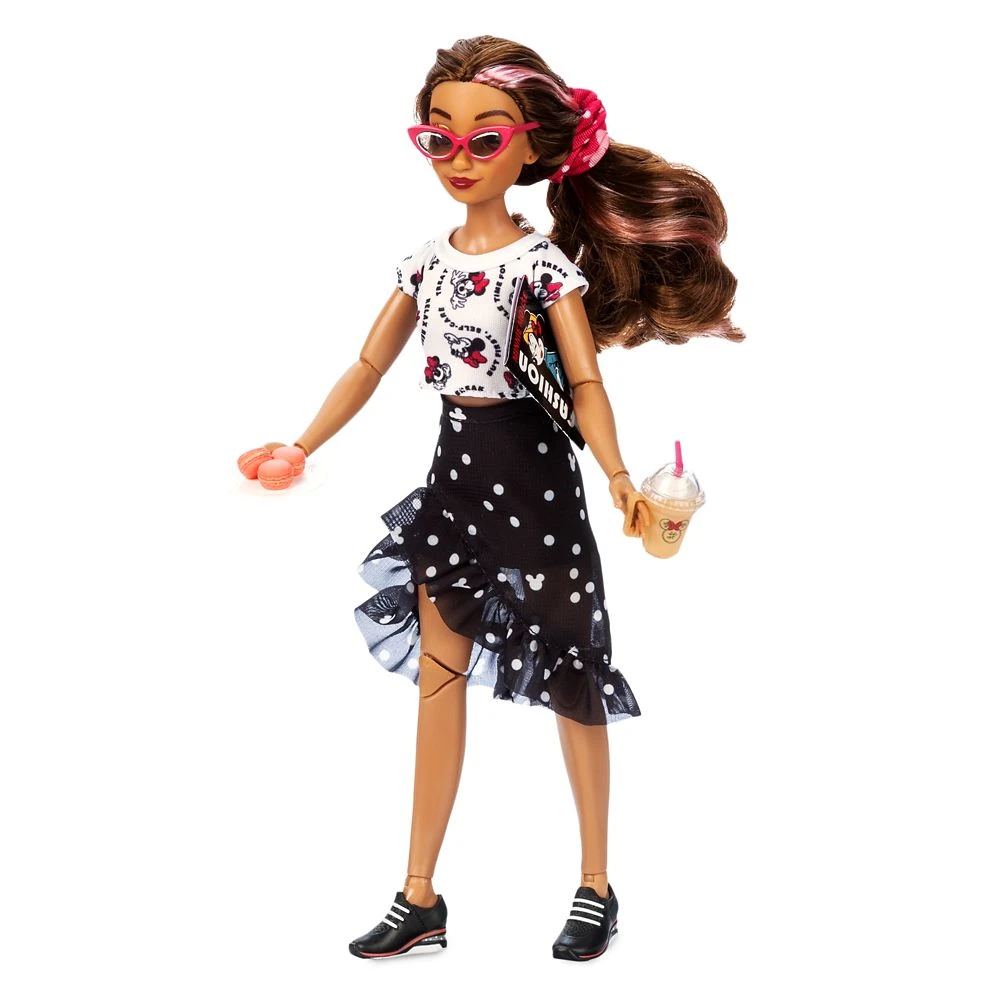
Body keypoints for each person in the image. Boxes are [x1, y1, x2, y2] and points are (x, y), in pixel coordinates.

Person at [256, 35, 742, 962]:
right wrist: (300, 443)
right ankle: (419, 895)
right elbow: (367, 364)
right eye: (438, 138)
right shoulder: (424, 263)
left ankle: (595, 886)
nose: (459, 158)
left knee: (574, 678)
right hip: (455, 487)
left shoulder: (543, 268)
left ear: (531, 147)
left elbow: (587, 383)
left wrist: (617, 475)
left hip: (539, 489)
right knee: (438, 685)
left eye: (484, 138)